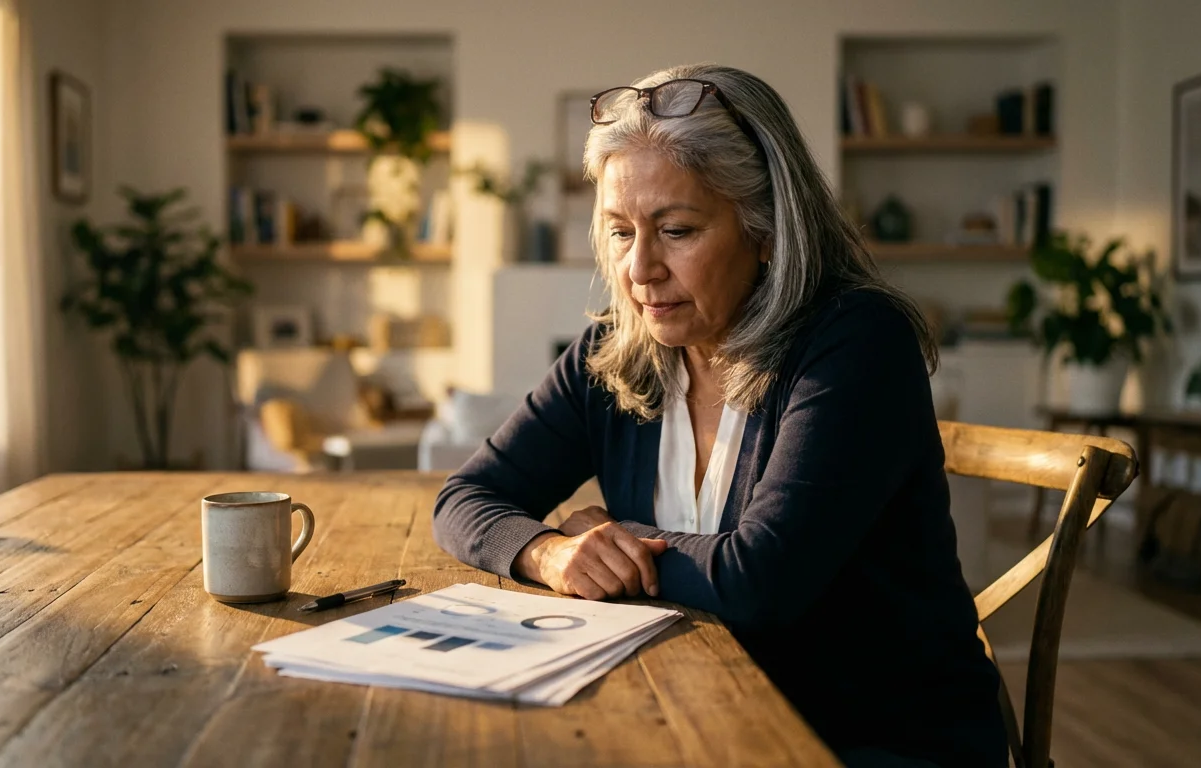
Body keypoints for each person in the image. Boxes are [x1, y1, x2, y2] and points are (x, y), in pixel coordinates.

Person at [432, 63, 1007, 768]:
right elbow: (465, 497)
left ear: (765, 230)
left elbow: (761, 580)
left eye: (675, 229)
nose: (640, 268)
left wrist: (614, 539)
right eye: (619, 232)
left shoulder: (857, 343)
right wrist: (551, 552)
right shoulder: (614, 353)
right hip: (695, 715)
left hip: (874, 740)